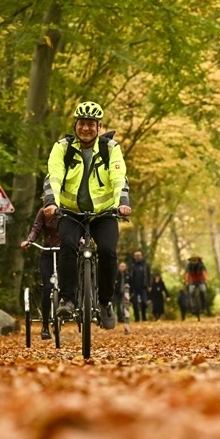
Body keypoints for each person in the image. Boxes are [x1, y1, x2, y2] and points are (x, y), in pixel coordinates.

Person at [42, 101, 131, 329]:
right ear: (76, 124)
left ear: (99, 126)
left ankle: (105, 302)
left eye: (91, 124)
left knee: (108, 251)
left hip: (103, 213)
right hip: (71, 212)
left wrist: (122, 202)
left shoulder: (110, 148)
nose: (86, 128)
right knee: (68, 246)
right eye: (82, 123)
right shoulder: (62, 148)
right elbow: (54, 176)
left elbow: (119, 177)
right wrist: (52, 203)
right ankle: (67, 300)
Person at [21, 206, 61, 340]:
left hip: (64, 253)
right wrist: (30, 240)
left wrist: (81, 240)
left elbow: (75, 230)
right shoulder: (43, 212)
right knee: (47, 287)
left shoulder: (68, 209)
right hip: (47, 252)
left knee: (66, 285)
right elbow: (36, 228)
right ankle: (45, 325)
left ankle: (63, 309)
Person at [129, 250, 151, 322]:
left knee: (144, 302)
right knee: (135, 303)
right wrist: (130, 289)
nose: (138, 257)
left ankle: (144, 317)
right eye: (136, 255)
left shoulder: (145, 264)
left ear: (141, 256)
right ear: (134, 256)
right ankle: (137, 318)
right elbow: (130, 277)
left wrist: (149, 285)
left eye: (139, 255)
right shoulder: (132, 265)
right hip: (134, 287)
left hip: (143, 286)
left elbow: (149, 275)